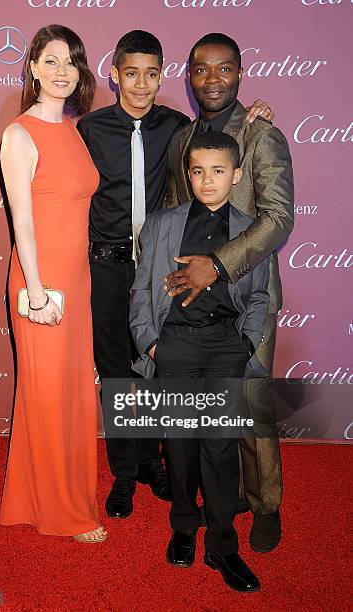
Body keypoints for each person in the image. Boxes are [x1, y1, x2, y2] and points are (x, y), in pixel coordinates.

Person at [77, 30, 274, 520]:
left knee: (161, 367)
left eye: (150, 73)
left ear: (163, 75)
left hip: (165, 267)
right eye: (130, 73)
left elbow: (222, 144)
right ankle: (126, 472)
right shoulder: (90, 129)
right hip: (107, 263)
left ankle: (158, 463)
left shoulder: (179, 128)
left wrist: (256, 114)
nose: (141, 84)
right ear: (114, 74)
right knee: (120, 371)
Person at [164, 33, 294, 552]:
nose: (211, 79)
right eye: (200, 70)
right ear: (189, 76)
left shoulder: (263, 135)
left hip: (248, 295)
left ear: (239, 73)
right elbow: (176, 213)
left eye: (223, 69)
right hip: (194, 297)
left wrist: (217, 265)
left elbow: (279, 218)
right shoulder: (182, 139)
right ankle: (228, 494)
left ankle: (266, 505)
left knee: (252, 403)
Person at [129, 131, 270, 592]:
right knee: (182, 443)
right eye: (197, 171)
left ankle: (223, 545)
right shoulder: (160, 224)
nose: (206, 181)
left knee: (221, 446)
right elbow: (142, 290)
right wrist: (151, 344)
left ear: (236, 174)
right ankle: (184, 528)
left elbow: (260, 296)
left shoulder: (251, 230)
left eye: (217, 171)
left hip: (226, 347)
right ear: (187, 175)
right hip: (176, 345)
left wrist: (247, 344)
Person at [0, 25, 106, 543]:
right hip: (40, 282)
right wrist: (37, 291)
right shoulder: (19, 134)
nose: (64, 71)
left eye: (72, 62)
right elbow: (22, 221)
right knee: (46, 394)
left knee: (66, 394)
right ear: (34, 68)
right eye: (52, 60)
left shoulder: (71, 129)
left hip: (76, 281)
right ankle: (62, 513)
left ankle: (28, 496)